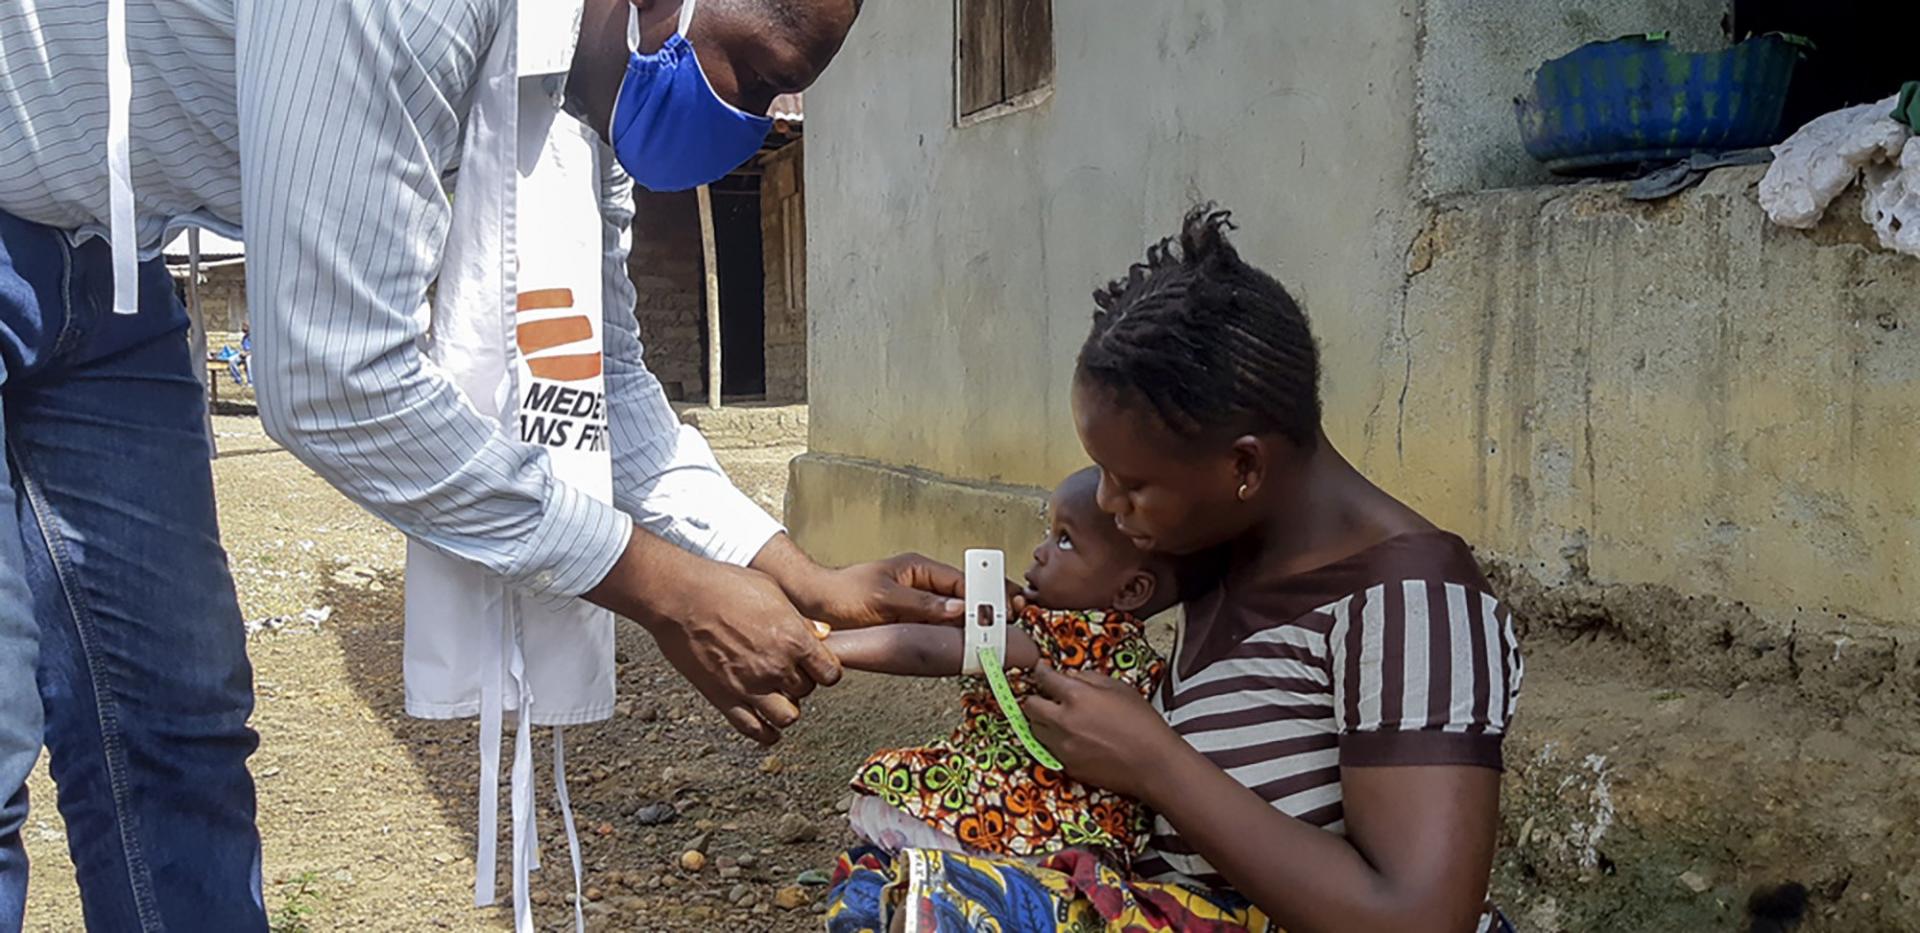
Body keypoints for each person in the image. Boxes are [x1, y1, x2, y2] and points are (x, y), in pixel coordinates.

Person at [0, 0, 956, 929]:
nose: (749, 124)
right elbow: (339, 382)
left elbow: (603, 380)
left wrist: (792, 571)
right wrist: (671, 592)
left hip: (111, 271)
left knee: (176, 727)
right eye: (757, 77)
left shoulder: (590, 88)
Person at [823, 208, 1525, 933]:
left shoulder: (1416, 604)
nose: (1105, 501)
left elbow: (1423, 916)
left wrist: (1155, 763)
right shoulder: (1221, 551)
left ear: (1243, 465)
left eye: (1130, 482)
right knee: (890, 887)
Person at [826, 467, 1175, 861]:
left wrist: (826, 646)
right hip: (1098, 834)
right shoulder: (1143, 660)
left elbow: (930, 650)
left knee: (879, 806)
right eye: (1048, 531)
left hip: (1016, 820)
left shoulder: (1060, 634)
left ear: (1130, 589)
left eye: (1064, 541)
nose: (1040, 551)